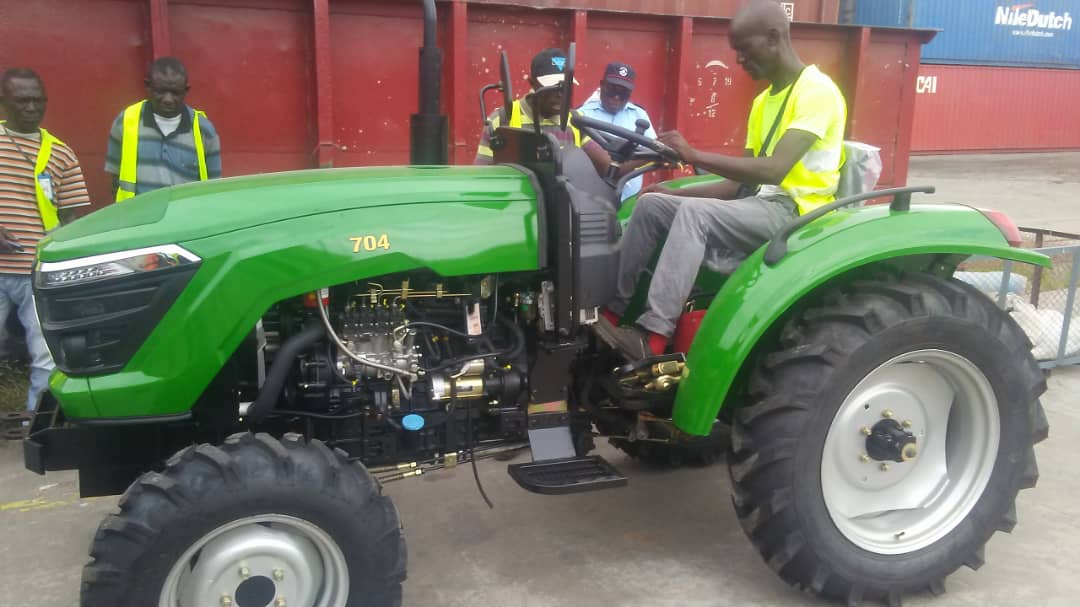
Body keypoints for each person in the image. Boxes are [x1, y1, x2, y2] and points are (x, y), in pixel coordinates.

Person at [598, 0, 847, 358]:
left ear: (774, 38)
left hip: (798, 213)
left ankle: (652, 335)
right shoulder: (764, 102)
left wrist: (694, 155)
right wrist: (674, 192)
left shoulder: (817, 92)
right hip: (761, 204)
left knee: (695, 216)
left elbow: (774, 169)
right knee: (653, 203)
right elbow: (735, 186)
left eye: (744, 50)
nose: (738, 61)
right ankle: (611, 311)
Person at [0, 68, 91, 410]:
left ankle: (33, 421)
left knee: (45, 354)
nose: (30, 107)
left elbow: (73, 217)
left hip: (36, 272)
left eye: (38, 101)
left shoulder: (61, 154)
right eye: (22, 100)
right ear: (3, 102)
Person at [475, 48, 613, 177]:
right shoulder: (502, 120)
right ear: (532, 83)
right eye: (552, 86)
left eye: (565, 86)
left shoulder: (576, 122)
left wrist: (633, 161)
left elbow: (608, 167)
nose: (560, 94)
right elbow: (482, 176)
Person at [106, 57, 221, 202]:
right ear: (148, 86)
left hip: (188, 221)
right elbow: (115, 181)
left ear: (186, 91)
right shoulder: (125, 122)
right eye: (160, 91)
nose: (168, 99)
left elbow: (215, 188)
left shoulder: (204, 130)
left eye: (175, 93)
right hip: (139, 221)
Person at [577, 62, 657, 201]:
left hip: (630, 200)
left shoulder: (639, 115)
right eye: (612, 90)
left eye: (623, 92)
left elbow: (653, 150)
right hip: (591, 198)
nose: (616, 97)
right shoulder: (582, 116)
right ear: (602, 85)